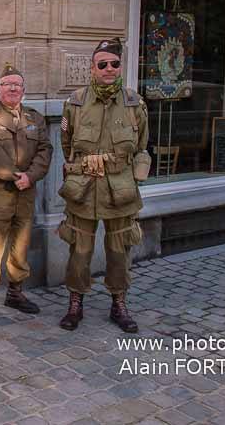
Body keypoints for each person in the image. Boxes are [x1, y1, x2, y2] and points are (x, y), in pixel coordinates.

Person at [58, 38, 149, 333]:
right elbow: (67, 144)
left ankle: (118, 303)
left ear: (121, 66)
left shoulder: (135, 104)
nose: (109, 69)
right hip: (83, 188)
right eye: (103, 64)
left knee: (119, 250)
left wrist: (130, 174)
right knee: (79, 250)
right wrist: (82, 168)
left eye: (115, 63)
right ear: (93, 68)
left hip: (120, 189)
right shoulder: (75, 102)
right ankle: (75, 302)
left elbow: (142, 146)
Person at [0, 64, 53, 323]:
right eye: (8, 84)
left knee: (21, 244)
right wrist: (15, 176)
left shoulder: (34, 118)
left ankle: (15, 293)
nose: (13, 88)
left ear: (24, 90)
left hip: (26, 191)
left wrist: (30, 176)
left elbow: (45, 149)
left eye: (18, 85)